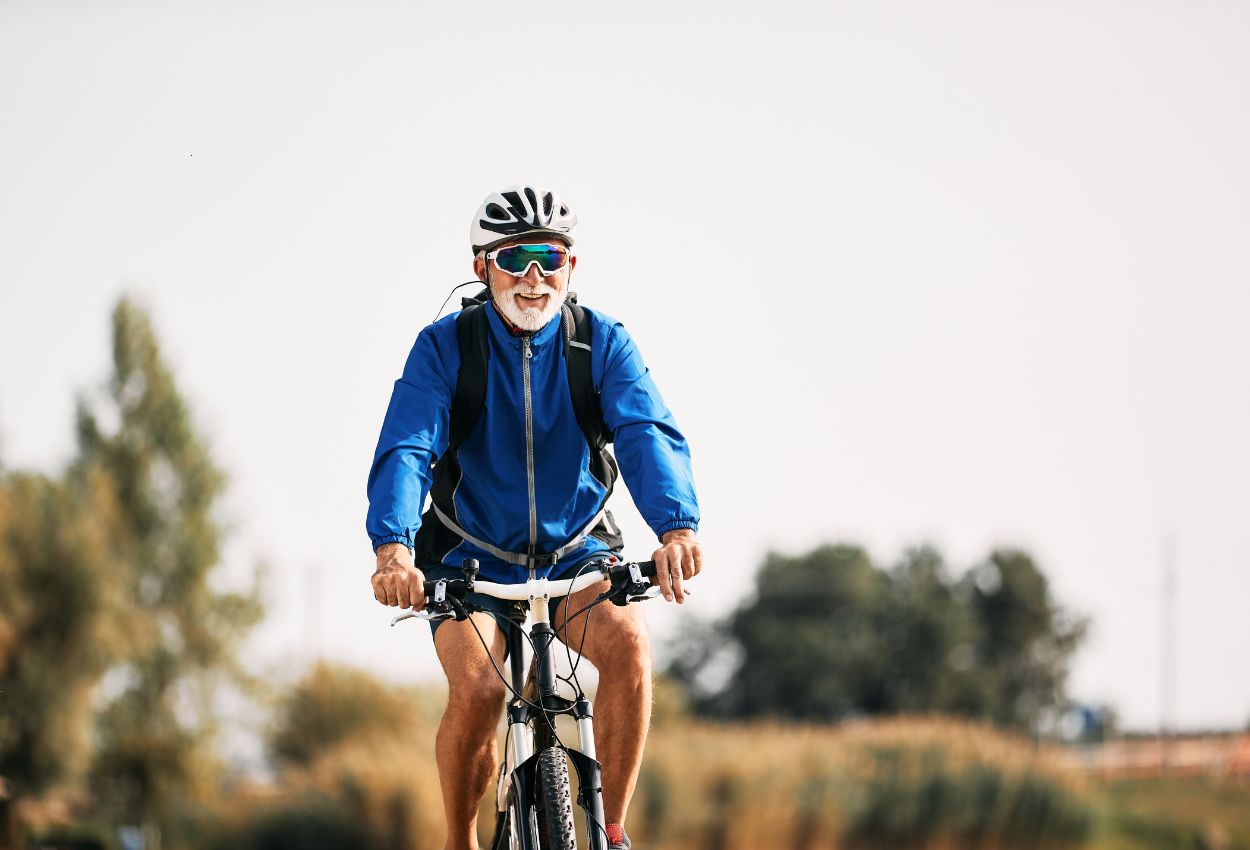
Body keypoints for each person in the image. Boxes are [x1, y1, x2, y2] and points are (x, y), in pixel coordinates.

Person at [366, 184, 703, 850]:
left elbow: (645, 433)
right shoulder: (444, 349)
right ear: (480, 265)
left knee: (630, 649)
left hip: (578, 549)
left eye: (549, 257)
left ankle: (611, 830)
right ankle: (460, 841)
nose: (532, 276)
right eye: (514, 257)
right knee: (480, 690)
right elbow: (408, 444)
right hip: (467, 554)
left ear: (571, 268)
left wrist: (676, 529)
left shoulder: (599, 342)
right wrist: (392, 548)